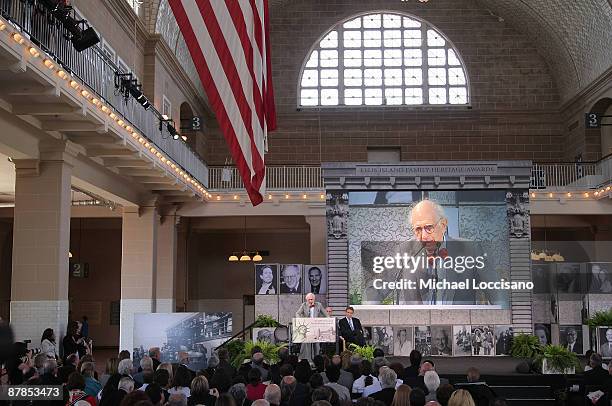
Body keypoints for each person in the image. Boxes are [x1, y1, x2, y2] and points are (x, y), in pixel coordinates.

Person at [295, 293, 329, 360]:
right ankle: (306, 359)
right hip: (307, 327)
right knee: (307, 343)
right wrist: (301, 320)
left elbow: (326, 314)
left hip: (316, 326)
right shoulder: (304, 305)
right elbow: (297, 313)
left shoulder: (318, 305)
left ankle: (317, 358)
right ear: (306, 300)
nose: (311, 301)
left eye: (312, 299)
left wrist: (326, 321)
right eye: (309, 300)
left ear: (314, 299)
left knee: (316, 343)